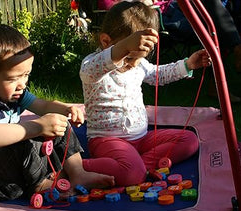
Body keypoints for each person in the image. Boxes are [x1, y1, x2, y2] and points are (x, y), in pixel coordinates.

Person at [0, 24, 115, 202]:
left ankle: (78, 173)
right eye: (13, 78)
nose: (22, 84)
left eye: (26, 75)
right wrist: (36, 127)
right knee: (26, 136)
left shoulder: (13, 93)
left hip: (13, 168)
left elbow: (41, 105)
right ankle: (41, 185)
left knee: (57, 122)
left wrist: (66, 110)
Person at [80, 1, 211, 187]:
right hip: (107, 140)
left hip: (142, 138)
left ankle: (140, 166)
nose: (134, 63)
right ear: (106, 42)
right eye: (130, 56)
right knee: (132, 174)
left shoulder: (138, 64)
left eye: (139, 57)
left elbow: (158, 75)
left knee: (189, 140)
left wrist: (188, 64)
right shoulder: (93, 65)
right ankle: (76, 167)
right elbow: (93, 69)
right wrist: (124, 47)